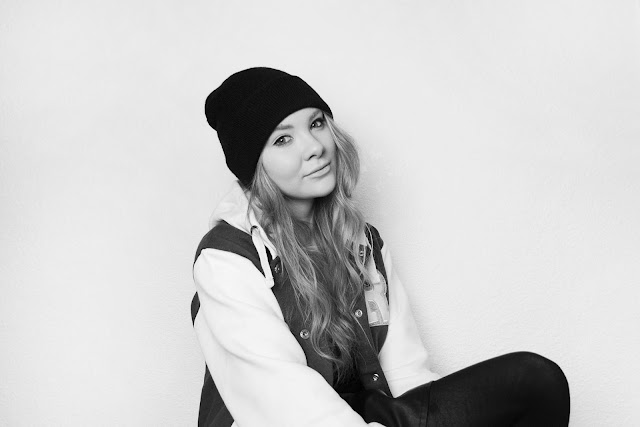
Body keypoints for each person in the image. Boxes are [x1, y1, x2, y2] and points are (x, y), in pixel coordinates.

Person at [191, 67, 570, 427]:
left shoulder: (362, 242)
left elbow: (405, 374)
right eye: (283, 139)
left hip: (366, 416)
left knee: (534, 382)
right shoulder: (225, 259)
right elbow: (284, 403)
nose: (315, 147)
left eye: (317, 123)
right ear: (253, 165)